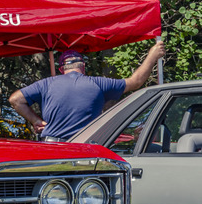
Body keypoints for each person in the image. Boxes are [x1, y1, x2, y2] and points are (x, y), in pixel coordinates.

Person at [9, 40, 166, 141]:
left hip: (53, 147)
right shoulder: (98, 83)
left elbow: (15, 99)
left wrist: (35, 120)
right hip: (84, 147)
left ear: (61, 69)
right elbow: (135, 82)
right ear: (83, 67)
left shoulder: (46, 84)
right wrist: (152, 56)